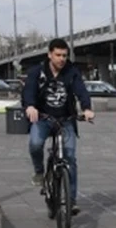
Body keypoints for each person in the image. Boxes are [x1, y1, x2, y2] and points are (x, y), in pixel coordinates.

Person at [23, 38, 94, 216]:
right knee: (35, 143)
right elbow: (29, 90)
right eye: (58, 55)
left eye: (64, 55)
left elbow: (81, 90)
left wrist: (86, 108)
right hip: (43, 118)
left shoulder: (72, 71)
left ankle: (72, 200)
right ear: (49, 55)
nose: (62, 59)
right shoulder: (37, 72)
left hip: (66, 119)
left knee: (70, 157)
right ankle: (39, 172)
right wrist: (30, 106)